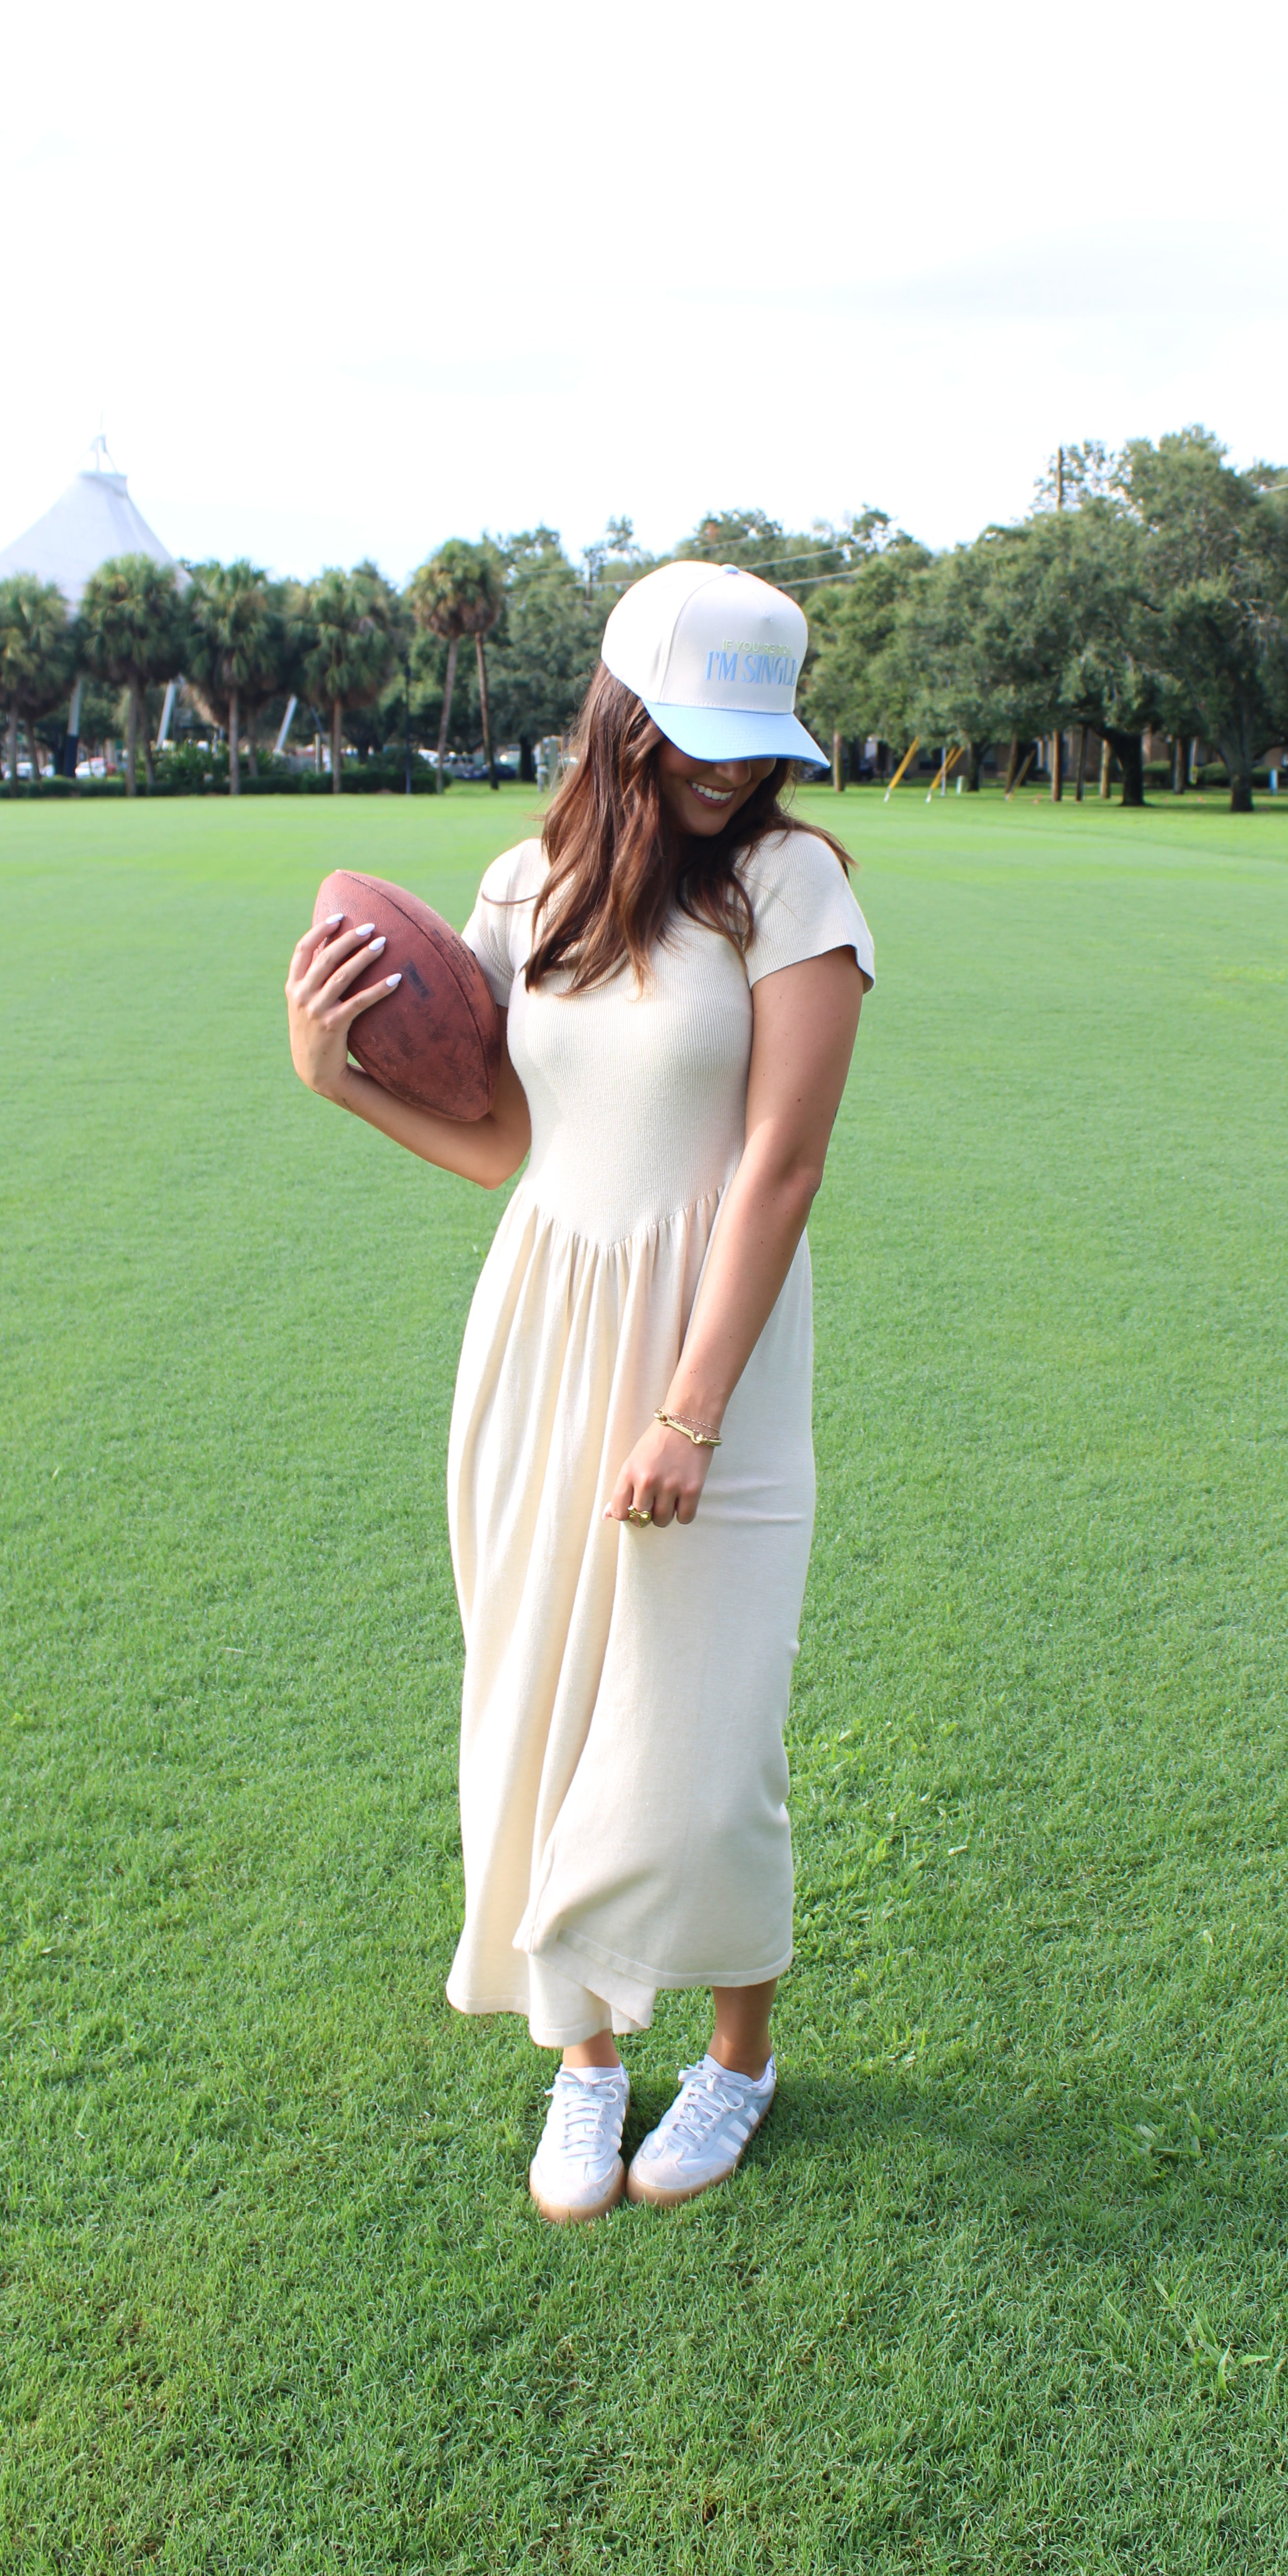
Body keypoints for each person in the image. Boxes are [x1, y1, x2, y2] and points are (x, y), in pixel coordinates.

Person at [284, 561, 874, 2221]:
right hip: (540, 1333)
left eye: (757, 741)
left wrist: (690, 1410)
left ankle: (739, 2059)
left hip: (717, 1360)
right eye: (699, 734)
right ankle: (588, 2066)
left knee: (705, 1734)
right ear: (621, 709)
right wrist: (333, 1083)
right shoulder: (523, 886)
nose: (731, 769)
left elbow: (783, 1163)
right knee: (542, 1700)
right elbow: (499, 1149)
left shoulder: (795, 888)